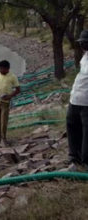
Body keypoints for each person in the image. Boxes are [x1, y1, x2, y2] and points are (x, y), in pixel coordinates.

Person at [67, 30, 88, 168]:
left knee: (87, 131)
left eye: (84, 43)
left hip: (86, 102)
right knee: (72, 126)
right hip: (75, 99)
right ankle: (75, 156)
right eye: (81, 43)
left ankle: (86, 160)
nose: (82, 45)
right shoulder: (85, 56)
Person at [0, 60, 20, 146]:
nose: (0, 70)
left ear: (7, 69)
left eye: (2, 68)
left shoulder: (12, 77)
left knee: (3, 120)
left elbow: (18, 89)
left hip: (5, 102)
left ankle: (3, 138)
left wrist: (10, 96)